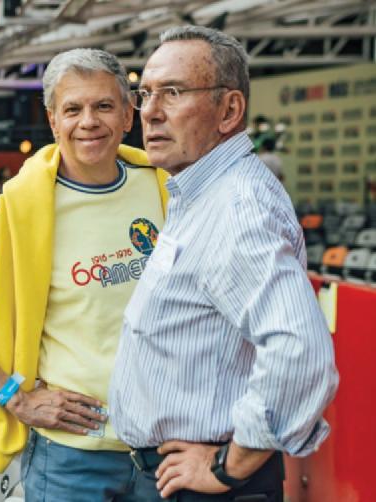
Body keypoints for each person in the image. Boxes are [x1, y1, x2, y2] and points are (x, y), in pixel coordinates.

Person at [0, 48, 168, 501]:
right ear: (53, 121)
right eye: (72, 109)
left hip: (164, 450)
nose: (88, 121)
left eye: (104, 106)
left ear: (128, 115)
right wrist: (16, 397)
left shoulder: (165, 187)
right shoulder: (20, 208)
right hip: (71, 460)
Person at [109, 26, 338, 502]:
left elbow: (300, 352)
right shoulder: (203, 193)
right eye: (145, 93)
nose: (149, 111)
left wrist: (228, 467)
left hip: (209, 488)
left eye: (173, 92)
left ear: (229, 111)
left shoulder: (237, 208)